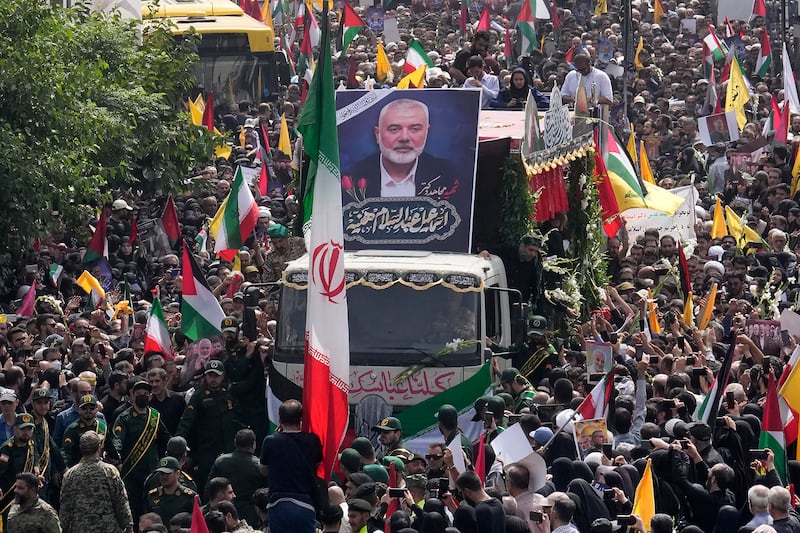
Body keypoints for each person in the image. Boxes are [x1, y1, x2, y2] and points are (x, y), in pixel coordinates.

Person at [341, 98, 459, 202]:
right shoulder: (351, 177)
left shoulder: (449, 175)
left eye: (415, 129)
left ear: (427, 132)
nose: (404, 138)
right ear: (378, 135)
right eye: (394, 129)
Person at [259, 400, 323, 533]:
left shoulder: (271, 441)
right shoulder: (312, 440)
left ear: (280, 419)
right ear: (301, 419)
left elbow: (263, 470)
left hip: (278, 504)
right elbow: (317, 465)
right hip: (305, 503)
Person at [112, 379, 172, 520]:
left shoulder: (154, 416)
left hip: (151, 470)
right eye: (139, 393)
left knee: (152, 507)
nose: (142, 396)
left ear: (150, 396)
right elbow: (117, 439)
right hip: (132, 471)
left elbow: (165, 437)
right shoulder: (124, 417)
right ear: (132, 395)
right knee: (133, 508)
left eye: (145, 393)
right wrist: (117, 455)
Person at [176, 359, 236, 491]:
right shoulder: (198, 396)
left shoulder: (229, 394)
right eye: (210, 375)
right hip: (206, 450)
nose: (213, 379)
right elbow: (186, 421)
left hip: (227, 448)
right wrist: (179, 443)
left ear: (222, 376)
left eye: (216, 376)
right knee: (206, 485)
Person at [59, 430, 133, 533]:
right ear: (99, 448)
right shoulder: (109, 471)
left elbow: (65, 508)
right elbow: (120, 501)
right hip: (107, 528)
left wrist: (63, 528)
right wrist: (128, 525)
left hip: (80, 528)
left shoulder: (70, 474)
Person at [206, 428, 266, 526]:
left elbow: (209, 489)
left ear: (235, 442)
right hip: (251, 515)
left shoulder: (220, 462)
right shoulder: (259, 466)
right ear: (254, 444)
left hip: (223, 514)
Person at [0, 414, 40, 520]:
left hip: (28, 493)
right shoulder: (7, 448)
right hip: (10, 493)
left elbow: (35, 455)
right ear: (15, 429)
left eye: (29, 429)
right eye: (22, 429)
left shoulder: (31, 444)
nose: (26, 432)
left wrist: (37, 467)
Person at [144, 457, 197, 525]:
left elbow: (197, 523)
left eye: (168, 473)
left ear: (177, 473)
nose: (164, 477)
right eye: (161, 473)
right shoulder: (152, 496)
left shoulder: (189, 497)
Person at [61, 393, 106, 468]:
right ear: (79, 410)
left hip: (98, 468)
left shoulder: (102, 426)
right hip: (79, 469)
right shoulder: (72, 429)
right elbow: (66, 452)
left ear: (96, 409)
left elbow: (110, 448)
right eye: (84, 408)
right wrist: (66, 468)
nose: (88, 411)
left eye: (91, 408)